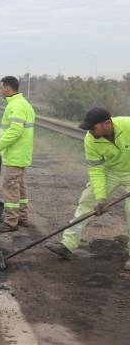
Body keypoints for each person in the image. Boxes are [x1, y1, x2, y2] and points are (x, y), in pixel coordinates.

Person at [46, 108, 130, 272]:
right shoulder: (90, 140)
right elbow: (96, 170)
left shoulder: (128, 125)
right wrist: (101, 198)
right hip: (110, 171)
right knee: (87, 202)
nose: (90, 132)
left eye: (93, 128)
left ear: (107, 123)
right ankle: (67, 245)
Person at [0, 76, 36, 232]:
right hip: (22, 154)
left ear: (8, 88)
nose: (0, 90)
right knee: (20, 188)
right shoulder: (24, 104)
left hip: (15, 154)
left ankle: (10, 222)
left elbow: (15, 130)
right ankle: (22, 218)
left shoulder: (16, 105)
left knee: (10, 187)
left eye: (1, 87)